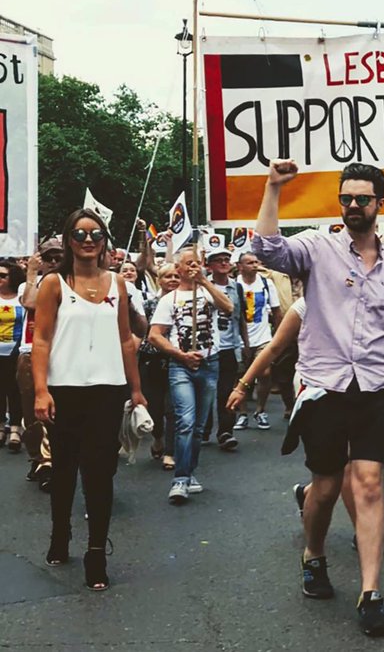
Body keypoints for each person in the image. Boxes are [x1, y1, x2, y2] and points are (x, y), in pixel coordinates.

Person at [254, 159, 384, 638]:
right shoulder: (317, 247)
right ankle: (314, 554)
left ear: (380, 203)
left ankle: (371, 593)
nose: (353, 206)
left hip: (375, 387)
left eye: (362, 199)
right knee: (324, 488)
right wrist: (273, 188)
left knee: (369, 485)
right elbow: (267, 248)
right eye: (346, 198)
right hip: (325, 387)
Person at [33, 209, 147, 590]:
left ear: (104, 241)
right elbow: (42, 339)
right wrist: (41, 390)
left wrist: (136, 390)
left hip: (107, 391)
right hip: (63, 390)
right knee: (64, 471)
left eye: (96, 234)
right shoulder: (54, 283)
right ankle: (60, 532)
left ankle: (96, 552)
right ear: (69, 240)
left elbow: (126, 339)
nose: (88, 240)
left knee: (100, 473)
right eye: (80, 234)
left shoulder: (118, 283)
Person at [148, 247, 234, 504]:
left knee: (198, 427)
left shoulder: (208, 292)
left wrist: (205, 282)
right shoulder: (169, 300)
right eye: (188, 263)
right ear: (179, 268)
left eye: (197, 262)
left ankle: (190, 471)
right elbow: (155, 335)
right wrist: (180, 354)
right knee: (185, 421)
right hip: (181, 366)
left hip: (210, 363)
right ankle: (181, 478)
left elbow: (228, 307)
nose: (194, 267)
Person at [18, 239, 63, 489]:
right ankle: (37, 458)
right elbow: (30, 302)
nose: (54, 262)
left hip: (57, 352)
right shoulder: (30, 283)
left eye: (58, 258)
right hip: (29, 352)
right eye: (48, 258)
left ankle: (49, 462)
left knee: (52, 409)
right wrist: (32, 273)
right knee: (30, 412)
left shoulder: (67, 284)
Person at [204, 248, 249, 450]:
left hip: (229, 346)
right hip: (208, 347)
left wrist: (245, 344)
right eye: (218, 260)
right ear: (210, 265)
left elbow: (240, 318)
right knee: (206, 390)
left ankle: (225, 431)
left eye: (226, 259)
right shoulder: (202, 286)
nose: (224, 263)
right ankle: (204, 429)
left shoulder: (236, 287)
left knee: (226, 391)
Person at [233, 252, 281, 430]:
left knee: (265, 373)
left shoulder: (266, 284)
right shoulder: (234, 285)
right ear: (240, 266)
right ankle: (242, 413)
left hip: (263, 337)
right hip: (239, 338)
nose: (254, 265)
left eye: (256, 262)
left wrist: (279, 336)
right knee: (240, 376)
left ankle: (260, 410)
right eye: (249, 262)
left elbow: (276, 311)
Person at [140, 263, 180, 470]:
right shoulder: (149, 304)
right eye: (168, 276)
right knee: (154, 407)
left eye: (176, 276)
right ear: (159, 280)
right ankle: (158, 437)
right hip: (152, 359)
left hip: (177, 360)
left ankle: (171, 451)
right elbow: (141, 332)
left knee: (173, 408)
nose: (172, 280)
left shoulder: (186, 302)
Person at [0, 260, 28, 452]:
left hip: (16, 351)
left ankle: (16, 427)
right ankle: (1, 425)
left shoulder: (22, 298)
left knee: (15, 389)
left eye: (3, 275)